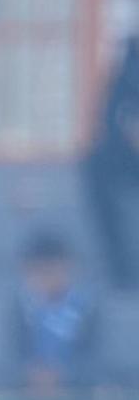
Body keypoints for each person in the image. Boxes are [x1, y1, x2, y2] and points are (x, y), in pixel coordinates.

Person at [81, 24, 139, 290]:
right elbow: (107, 114)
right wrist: (127, 131)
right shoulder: (131, 61)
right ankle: (120, 266)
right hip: (129, 153)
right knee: (95, 165)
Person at [12, 229, 100, 400]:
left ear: (68, 268)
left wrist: (64, 375)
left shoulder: (89, 310)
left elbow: (98, 358)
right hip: (27, 396)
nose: (46, 279)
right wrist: (31, 374)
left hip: (79, 396)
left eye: (52, 270)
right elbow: (13, 356)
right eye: (39, 271)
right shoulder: (19, 310)